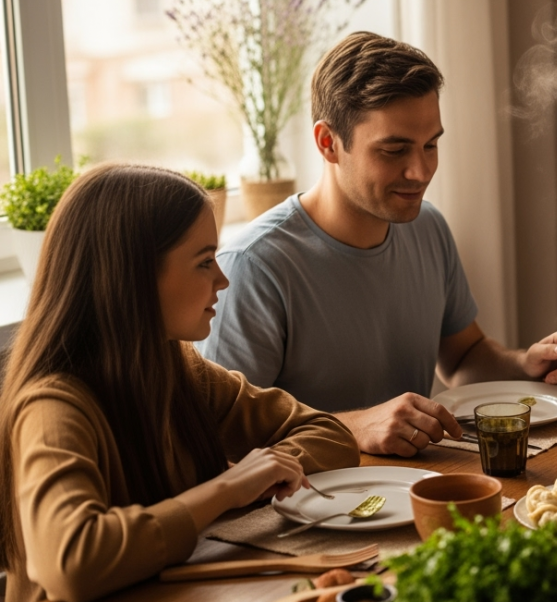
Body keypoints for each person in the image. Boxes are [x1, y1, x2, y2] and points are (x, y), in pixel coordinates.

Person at [199, 31, 557, 457]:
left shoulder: (428, 226)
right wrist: (352, 426)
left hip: (414, 488)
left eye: (431, 145)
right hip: (307, 508)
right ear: (328, 143)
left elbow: (463, 359)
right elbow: (219, 433)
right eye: (394, 150)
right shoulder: (252, 266)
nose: (420, 171)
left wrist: (525, 366)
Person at [0, 165, 359, 602]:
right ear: (133, 278)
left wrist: (262, 472)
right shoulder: (53, 407)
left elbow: (330, 434)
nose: (223, 279)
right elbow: (70, 563)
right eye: (205, 261)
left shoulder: (182, 375)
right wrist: (225, 490)